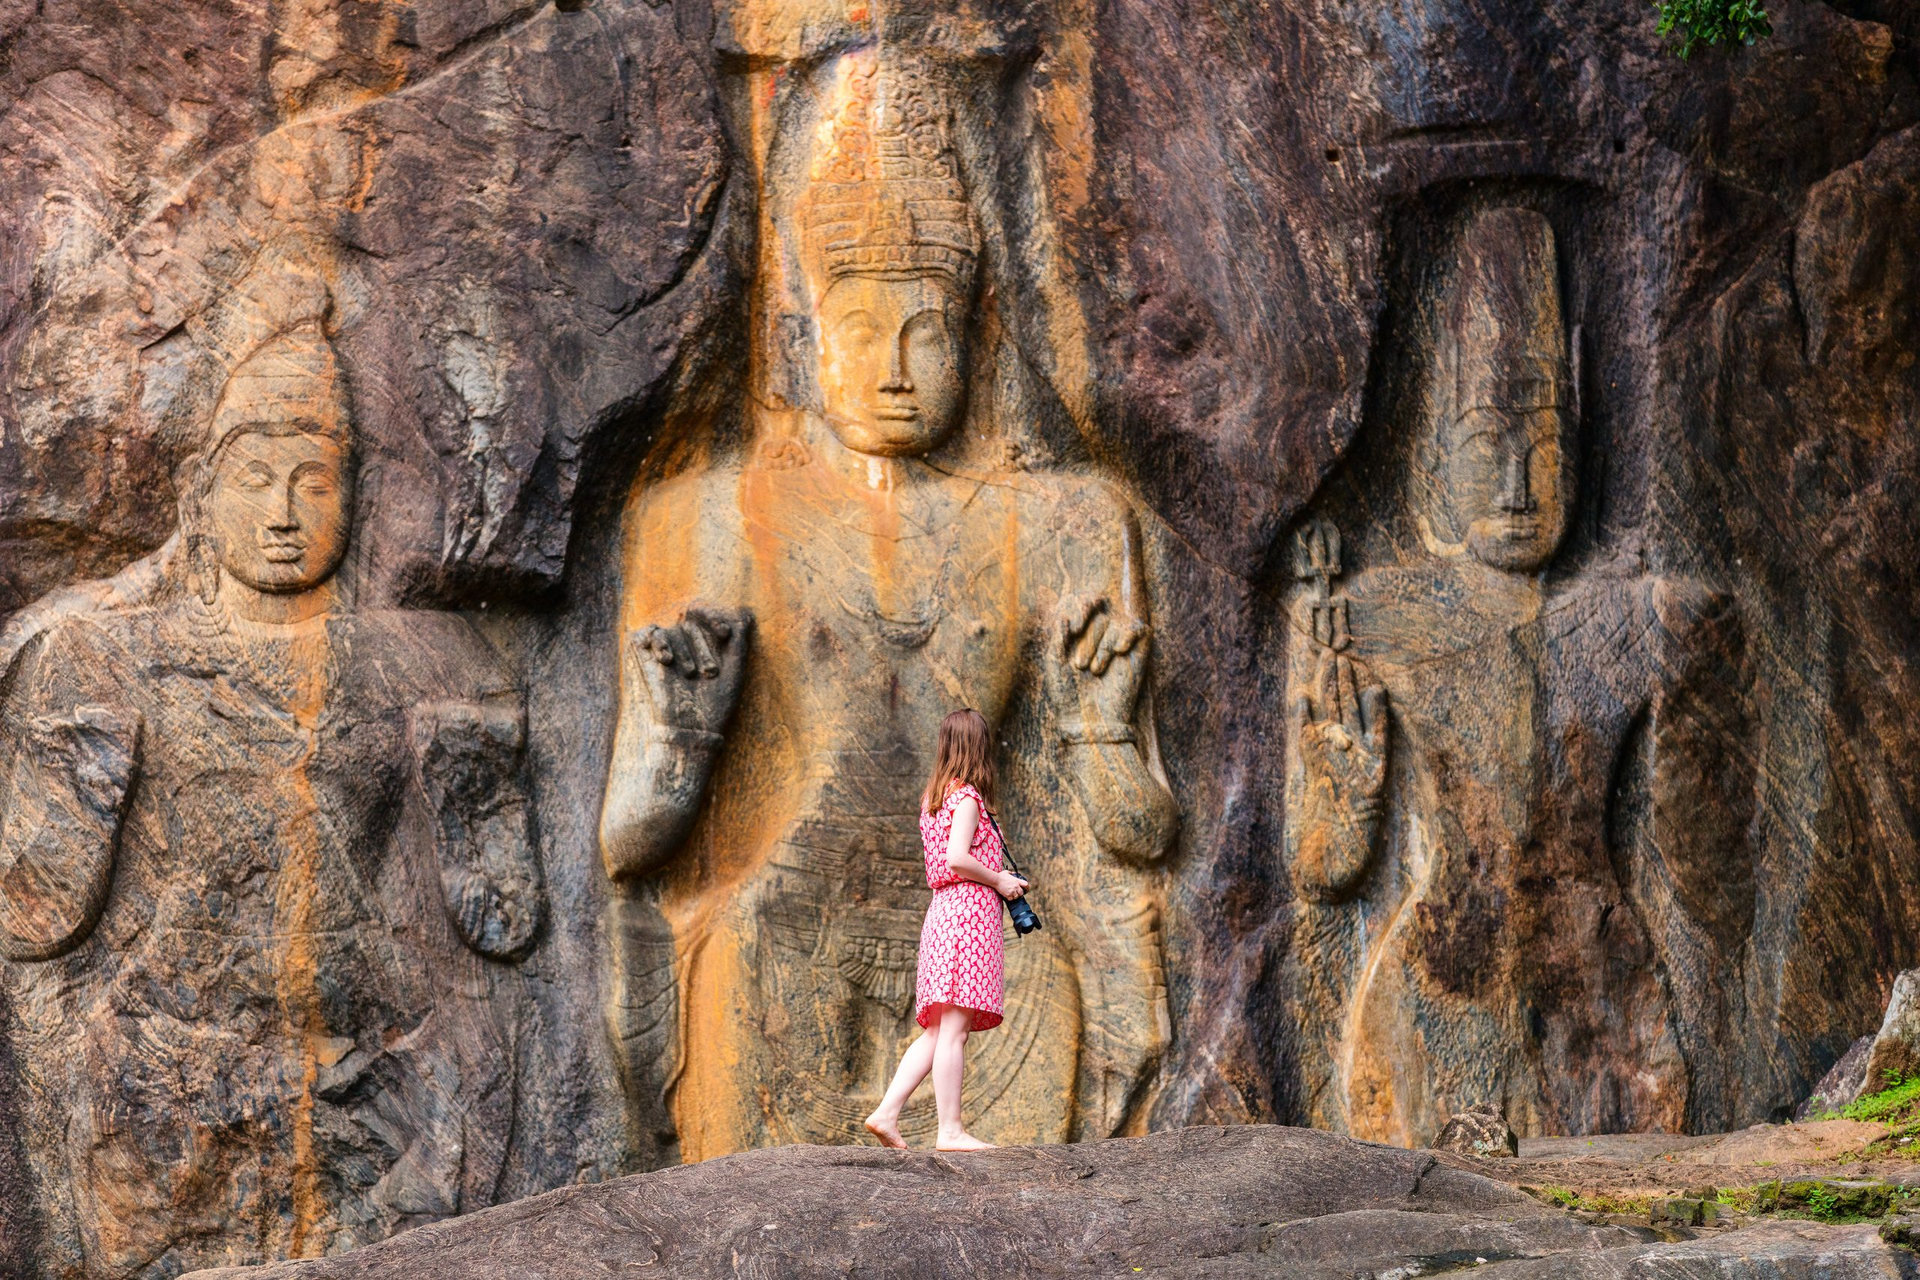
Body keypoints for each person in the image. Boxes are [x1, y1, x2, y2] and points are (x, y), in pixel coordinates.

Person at [863, 709, 1028, 1151]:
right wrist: (1001, 881)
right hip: (966, 920)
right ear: (978, 747)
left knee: (938, 1031)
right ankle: (950, 1131)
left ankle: (886, 1113)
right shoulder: (968, 798)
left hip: (942, 915)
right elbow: (957, 859)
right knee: (951, 1031)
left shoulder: (934, 798)